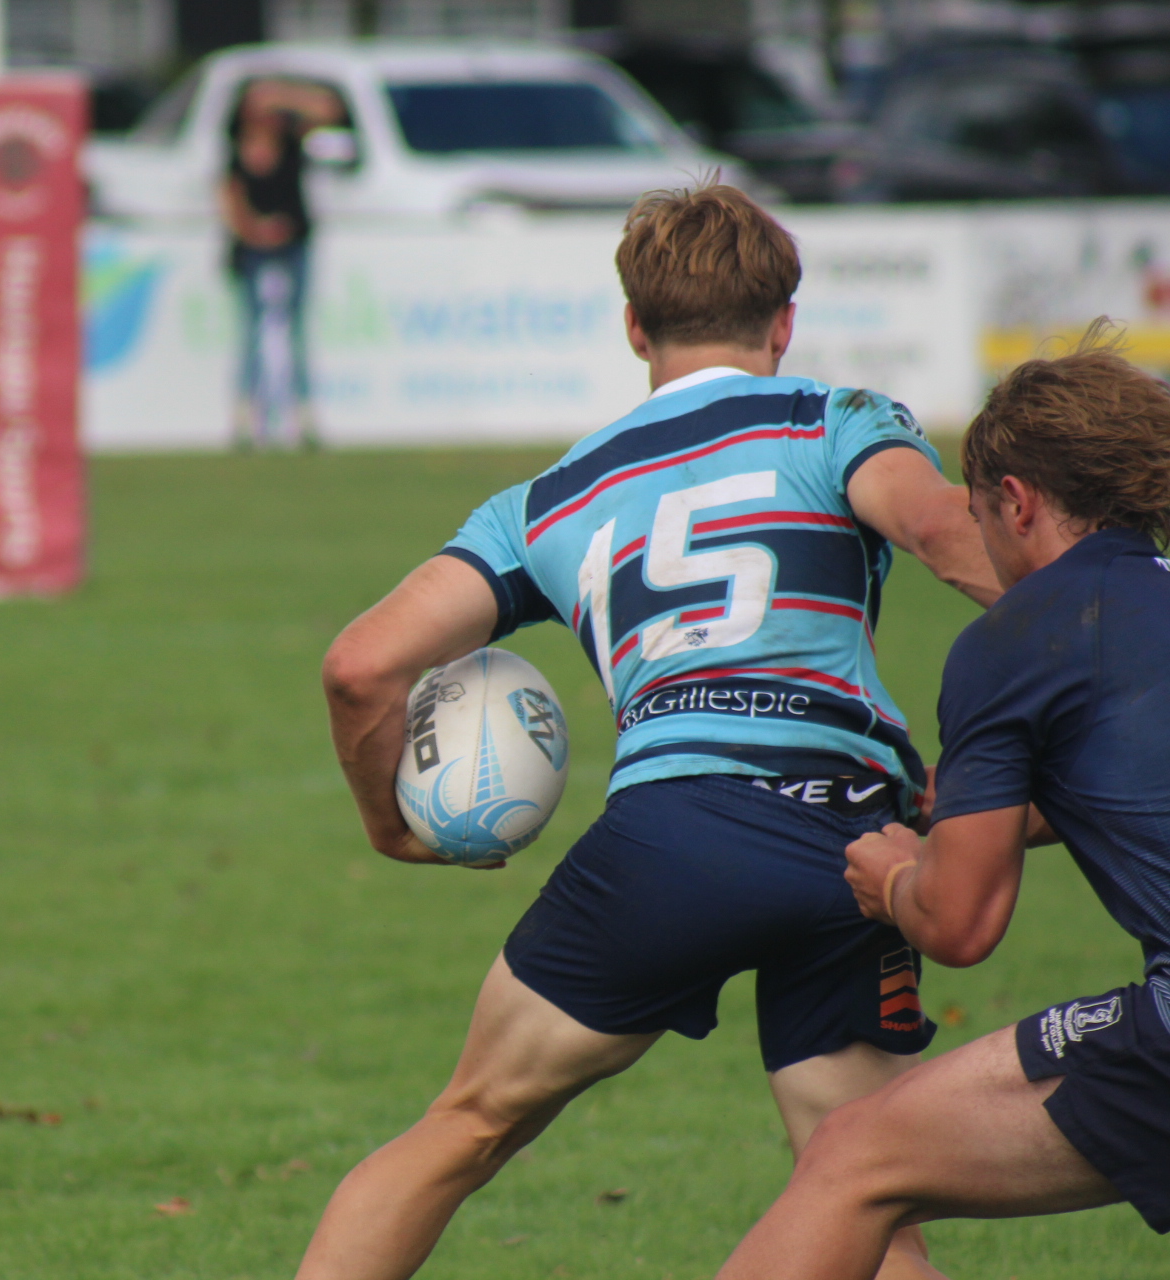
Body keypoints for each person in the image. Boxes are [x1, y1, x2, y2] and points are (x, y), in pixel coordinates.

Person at [298, 181, 1000, 1280]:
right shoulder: (835, 419)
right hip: (859, 841)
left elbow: (360, 665)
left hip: (676, 835)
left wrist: (393, 825)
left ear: (635, 327)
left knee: (467, 1123)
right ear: (784, 322)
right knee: (862, 1190)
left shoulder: (544, 502)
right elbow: (945, 531)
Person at [716, 336, 1170, 1280]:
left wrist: (896, 881)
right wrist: (984, 814)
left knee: (854, 1155)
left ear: (1016, 501)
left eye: (977, 513)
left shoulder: (1018, 637)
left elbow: (960, 924)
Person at [219, 80, 340, 452]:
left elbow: (330, 110)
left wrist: (286, 96)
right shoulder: (235, 147)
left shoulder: (290, 140)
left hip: (294, 243)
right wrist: (256, 230)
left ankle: (302, 416)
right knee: (252, 332)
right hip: (254, 247)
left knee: (296, 331)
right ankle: (247, 417)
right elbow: (230, 198)